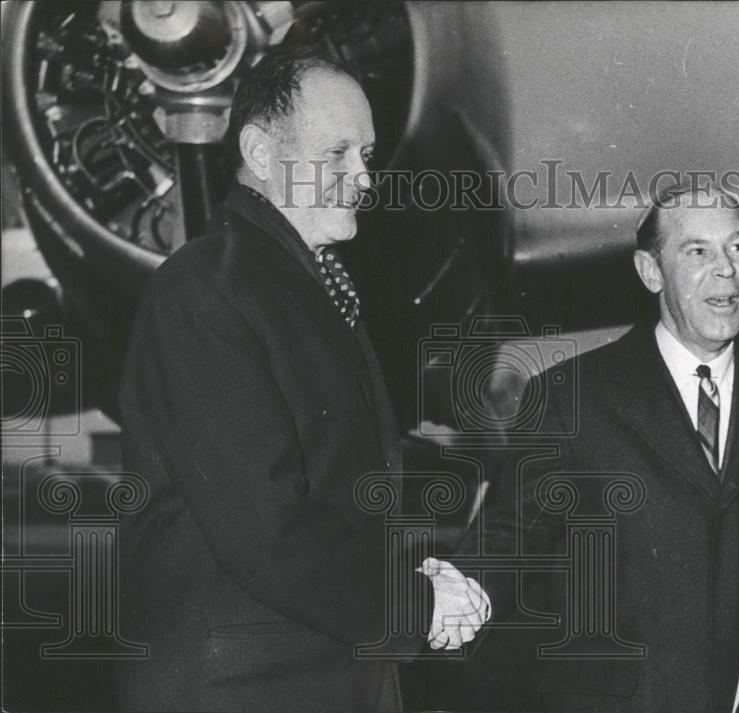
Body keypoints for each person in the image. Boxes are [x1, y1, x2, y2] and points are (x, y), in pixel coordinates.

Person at [115, 45, 487, 713]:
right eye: (337, 153)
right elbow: (266, 530)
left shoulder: (300, 285)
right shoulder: (203, 291)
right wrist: (415, 604)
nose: (364, 179)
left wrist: (408, 581)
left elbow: (330, 494)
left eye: (367, 156)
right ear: (261, 154)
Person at [470, 180, 739, 712]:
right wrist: (455, 588)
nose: (727, 268)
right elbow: (511, 534)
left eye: (737, 247)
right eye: (698, 250)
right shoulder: (569, 398)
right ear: (650, 271)